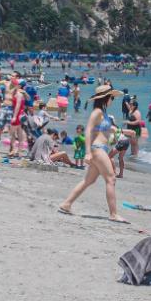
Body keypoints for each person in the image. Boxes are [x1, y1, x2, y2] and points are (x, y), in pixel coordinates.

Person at [56, 84, 127, 223]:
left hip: (101, 148)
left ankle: (67, 204)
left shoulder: (103, 113)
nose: (113, 100)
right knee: (111, 179)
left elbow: (103, 129)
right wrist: (87, 152)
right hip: (97, 149)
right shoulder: (97, 112)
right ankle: (113, 214)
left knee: (89, 180)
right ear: (105, 98)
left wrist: (118, 131)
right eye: (112, 97)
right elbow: (88, 130)